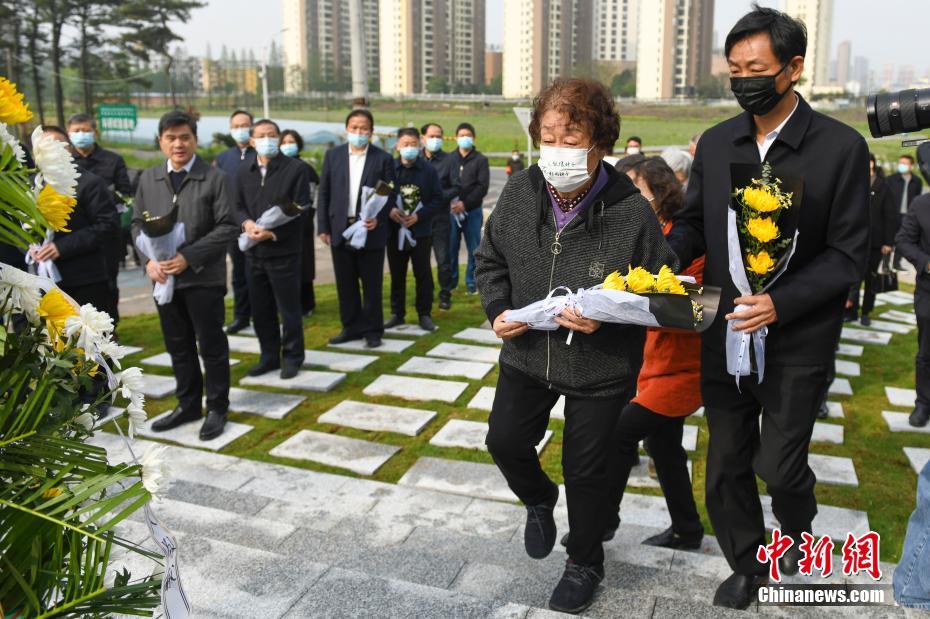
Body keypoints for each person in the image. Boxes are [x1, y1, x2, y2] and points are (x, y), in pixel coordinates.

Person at [666, 6, 869, 609]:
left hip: (796, 338)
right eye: (734, 70)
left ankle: (796, 536)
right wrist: (667, 256)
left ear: (793, 68)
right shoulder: (721, 142)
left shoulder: (839, 147)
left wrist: (780, 304)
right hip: (724, 331)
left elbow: (847, 254)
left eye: (756, 67)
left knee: (780, 467)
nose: (744, 79)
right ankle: (749, 563)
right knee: (726, 461)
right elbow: (693, 224)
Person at [475, 78, 678, 614]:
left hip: (599, 367)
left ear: (601, 143)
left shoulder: (630, 211)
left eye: (572, 135)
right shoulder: (521, 191)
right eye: (548, 135)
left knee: (587, 472)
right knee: (503, 441)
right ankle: (538, 497)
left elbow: (667, 290)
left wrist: (609, 320)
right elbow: (490, 260)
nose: (558, 148)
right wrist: (497, 310)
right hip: (525, 353)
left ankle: (584, 560)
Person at [600, 156, 705, 551]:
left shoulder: (685, 236)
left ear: (660, 191)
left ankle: (601, 520)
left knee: (619, 433)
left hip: (682, 367)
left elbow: (697, 305)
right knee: (664, 448)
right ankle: (687, 529)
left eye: (636, 192)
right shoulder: (643, 232)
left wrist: (627, 300)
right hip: (652, 364)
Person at [132, 111, 237, 441]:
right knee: (178, 346)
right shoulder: (149, 179)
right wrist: (148, 260)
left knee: (211, 345)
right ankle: (188, 404)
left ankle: (217, 407)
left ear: (195, 140)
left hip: (202, 277)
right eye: (171, 138)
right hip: (163, 280)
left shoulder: (215, 178)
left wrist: (188, 257)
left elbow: (228, 226)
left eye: (185, 137)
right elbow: (136, 225)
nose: (178, 144)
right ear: (161, 141)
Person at [234, 119, 312, 379]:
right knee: (260, 309)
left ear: (278, 138)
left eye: (272, 135)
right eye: (261, 135)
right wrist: (246, 224)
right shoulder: (243, 170)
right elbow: (235, 205)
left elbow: (302, 208)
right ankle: (268, 356)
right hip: (253, 252)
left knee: (289, 309)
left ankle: (292, 356)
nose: (267, 139)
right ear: (252, 140)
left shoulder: (295, 169)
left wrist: (273, 232)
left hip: (284, 251)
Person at [317, 109, 396, 349]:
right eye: (354, 128)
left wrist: (379, 219)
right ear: (346, 130)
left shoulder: (382, 158)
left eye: (363, 128)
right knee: (345, 282)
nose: (358, 132)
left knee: (371, 283)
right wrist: (323, 226)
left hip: (370, 229)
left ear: (371, 132)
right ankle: (350, 327)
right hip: (341, 227)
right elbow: (324, 193)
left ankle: (373, 330)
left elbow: (390, 193)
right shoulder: (333, 156)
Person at [34, 125, 120, 313]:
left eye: (58, 146)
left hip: (85, 278)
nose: (52, 152)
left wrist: (61, 247)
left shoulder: (88, 183)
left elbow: (108, 225)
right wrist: (30, 246)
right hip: (42, 279)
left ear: (69, 149)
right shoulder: (33, 183)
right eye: (45, 147)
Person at [67, 112, 132, 325]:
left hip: (106, 234)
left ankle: (110, 325)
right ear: (69, 134)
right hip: (75, 236)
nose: (81, 135)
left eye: (85, 130)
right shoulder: (66, 164)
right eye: (76, 131)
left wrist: (103, 195)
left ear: (95, 133)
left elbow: (125, 193)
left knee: (108, 283)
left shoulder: (112, 160)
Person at [385, 127, 443, 332]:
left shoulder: (428, 171)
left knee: (423, 273)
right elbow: (380, 195)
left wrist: (419, 216)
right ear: (397, 146)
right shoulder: (389, 168)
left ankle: (424, 314)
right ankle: (397, 313)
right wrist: (390, 209)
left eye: (413, 144)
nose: (409, 148)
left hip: (421, 231)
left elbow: (438, 199)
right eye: (405, 144)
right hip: (394, 231)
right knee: (397, 273)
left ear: (419, 145)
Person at [214, 109, 256, 334]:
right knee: (239, 274)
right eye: (236, 126)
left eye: (245, 125)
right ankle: (242, 316)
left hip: (257, 224)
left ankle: (262, 312)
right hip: (232, 225)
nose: (241, 129)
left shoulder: (260, 153)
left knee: (257, 273)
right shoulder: (223, 158)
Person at [846, 153, 897, 326]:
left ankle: (866, 312)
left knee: (871, 278)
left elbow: (891, 217)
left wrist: (888, 242)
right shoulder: (854, 182)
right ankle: (851, 310)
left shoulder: (883, 186)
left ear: (873, 164)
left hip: (876, 242)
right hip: (856, 239)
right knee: (853, 277)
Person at [894, 192, 930, 428]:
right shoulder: (922, 204)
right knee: (926, 353)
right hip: (928, 292)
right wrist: (925, 262)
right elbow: (904, 240)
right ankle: (924, 403)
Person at [281, 128, 321, 317]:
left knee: (304, 265)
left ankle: (307, 304)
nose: (288, 145)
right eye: (284, 142)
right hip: (279, 225)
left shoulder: (306, 168)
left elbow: (312, 197)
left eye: (292, 141)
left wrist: (300, 215)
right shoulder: (276, 168)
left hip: (302, 224)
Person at [421, 122, 460, 311]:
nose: (435, 140)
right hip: (418, 219)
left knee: (443, 260)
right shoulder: (416, 160)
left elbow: (456, 186)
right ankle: (424, 295)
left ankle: (445, 294)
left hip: (440, 218)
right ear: (423, 138)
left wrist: (436, 198)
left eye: (439, 136)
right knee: (421, 261)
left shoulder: (449, 160)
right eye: (431, 136)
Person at [449, 122, 489, 296]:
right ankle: (451, 282)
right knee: (451, 247)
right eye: (461, 135)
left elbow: (482, 187)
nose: (464, 138)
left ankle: (471, 283)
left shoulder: (480, 160)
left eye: (468, 135)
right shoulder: (449, 159)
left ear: (473, 138)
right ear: (456, 137)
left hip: (472, 211)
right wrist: (452, 203)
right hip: (451, 211)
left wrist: (465, 204)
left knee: (474, 248)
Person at [889, 154, 923, 269]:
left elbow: (917, 199)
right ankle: (885, 263)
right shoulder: (891, 179)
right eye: (900, 163)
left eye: (904, 163)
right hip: (892, 214)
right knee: (888, 238)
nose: (901, 165)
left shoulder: (917, 181)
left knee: (902, 239)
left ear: (911, 166)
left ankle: (896, 263)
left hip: (907, 215)